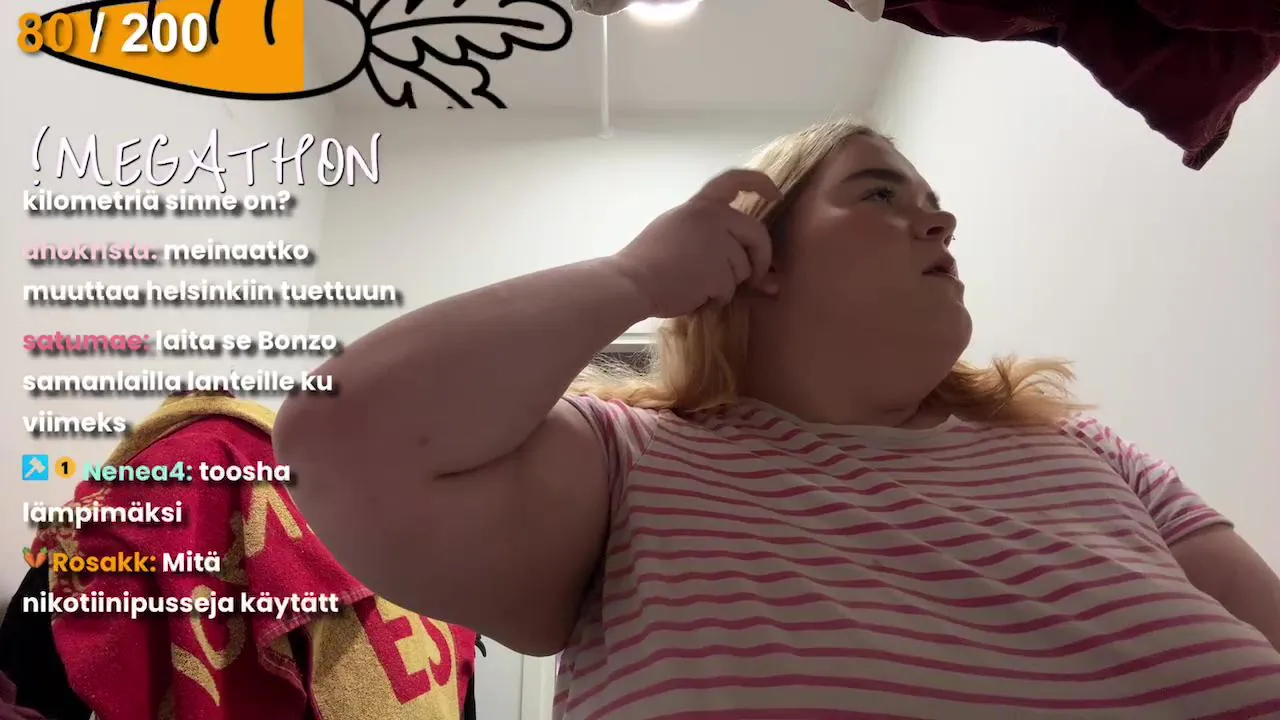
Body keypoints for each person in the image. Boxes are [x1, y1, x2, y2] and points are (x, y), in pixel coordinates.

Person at [273, 119, 1280, 718]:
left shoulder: (1090, 452)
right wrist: (634, 279)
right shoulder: (626, 460)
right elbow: (343, 441)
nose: (939, 220)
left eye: (933, 202)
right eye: (878, 193)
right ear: (754, 260)